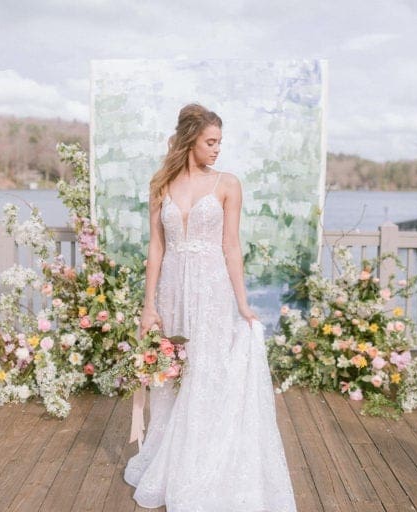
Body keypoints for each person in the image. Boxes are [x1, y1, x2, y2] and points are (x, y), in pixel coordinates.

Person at [123, 103, 298, 511]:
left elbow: (231, 247)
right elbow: (156, 247)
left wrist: (243, 303)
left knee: (208, 374)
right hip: (171, 290)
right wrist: (148, 306)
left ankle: (204, 465)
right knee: (169, 377)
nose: (218, 149)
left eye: (220, 142)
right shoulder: (160, 185)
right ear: (190, 140)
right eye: (211, 141)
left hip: (213, 292)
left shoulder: (227, 184)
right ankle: (169, 464)